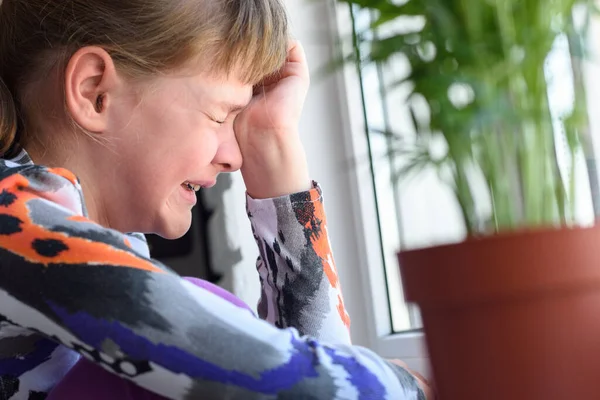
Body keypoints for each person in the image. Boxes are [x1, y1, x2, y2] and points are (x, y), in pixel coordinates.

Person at [0, 0, 434, 398]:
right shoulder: (12, 221)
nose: (233, 155)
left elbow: (300, 371)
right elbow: (246, 364)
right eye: (220, 116)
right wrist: (409, 387)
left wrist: (272, 140)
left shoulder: (100, 237)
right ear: (96, 91)